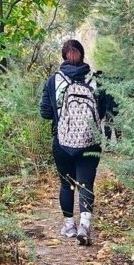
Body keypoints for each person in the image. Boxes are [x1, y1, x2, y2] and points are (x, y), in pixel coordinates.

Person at [40, 39, 115, 246]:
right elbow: (105, 111)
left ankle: (69, 226)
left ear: (64, 57)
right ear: (82, 55)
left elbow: (45, 113)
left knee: (67, 184)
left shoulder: (53, 81)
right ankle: (85, 225)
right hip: (90, 142)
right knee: (86, 184)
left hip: (62, 143)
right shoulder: (96, 80)